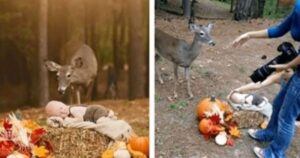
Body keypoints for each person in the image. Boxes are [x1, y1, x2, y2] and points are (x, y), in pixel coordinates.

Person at [231, 0, 300, 157]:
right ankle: (269, 133)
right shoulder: (297, 8)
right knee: (278, 104)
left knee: (287, 116)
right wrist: (249, 35)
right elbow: (278, 30)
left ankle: (275, 153)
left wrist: (285, 66)